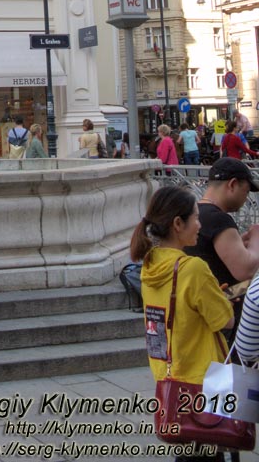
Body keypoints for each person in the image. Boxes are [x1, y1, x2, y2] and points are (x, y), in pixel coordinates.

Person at [130, 186, 233, 454]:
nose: (200, 225)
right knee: (210, 450)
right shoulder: (193, 269)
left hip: (169, 376)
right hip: (204, 378)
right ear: (178, 223)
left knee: (188, 452)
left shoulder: (150, 264)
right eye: (196, 218)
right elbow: (225, 320)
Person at [186, 157, 259, 339]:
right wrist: (257, 236)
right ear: (232, 184)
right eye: (246, 190)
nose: (246, 198)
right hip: (226, 317)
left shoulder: (194, 213)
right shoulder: (219, 219)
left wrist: (240, 246)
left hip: (202, 313)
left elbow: (208, 255)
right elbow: (245, 270)